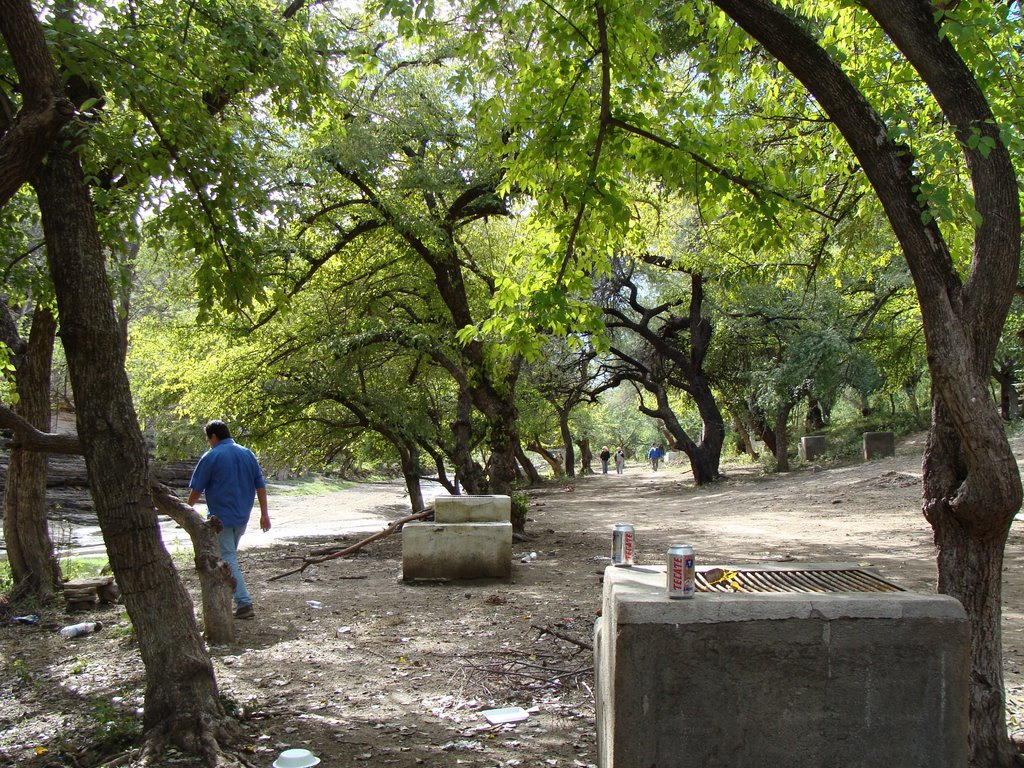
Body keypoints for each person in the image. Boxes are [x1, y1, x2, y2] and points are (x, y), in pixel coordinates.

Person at [187, 420, 270, 620]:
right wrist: (264, 514)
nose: (209, 442)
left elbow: (197, 489)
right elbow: (260, 485)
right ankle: (231, 597)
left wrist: (185, 510)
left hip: (220, 519)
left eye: (208, 439)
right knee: (227, 557)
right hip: (242, 517)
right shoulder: (247, 453)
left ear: (213, 437)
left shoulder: (211, 456)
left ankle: (244, 603)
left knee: (227, 557)